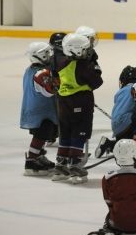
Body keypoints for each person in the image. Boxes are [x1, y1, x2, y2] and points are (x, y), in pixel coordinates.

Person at [53, 33, 103, 184]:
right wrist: (94, 66)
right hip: (80, 102)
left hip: (63, 103)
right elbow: (97, 82)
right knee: (79, 133)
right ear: (77, 50)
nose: (89, 51)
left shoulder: (61, 62)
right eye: (86, 49)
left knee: (66, 133)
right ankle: (75, 166)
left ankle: (61, 166)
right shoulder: (83, 66)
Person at [96, 66, 136, 158]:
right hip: (129, 123)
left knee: (123, 145)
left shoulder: (119, 92)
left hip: (116, 126)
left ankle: (108, 144)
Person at [21, 42, 58, 176]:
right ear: (39, 56)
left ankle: (38, 155)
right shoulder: (41, 73)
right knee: (42, 133)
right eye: (46, 53)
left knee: (45, 133)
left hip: (39, 109)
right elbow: (50, 91)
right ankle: (31, 159)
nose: (49, 55)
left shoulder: (30, 69)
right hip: (41, 111)